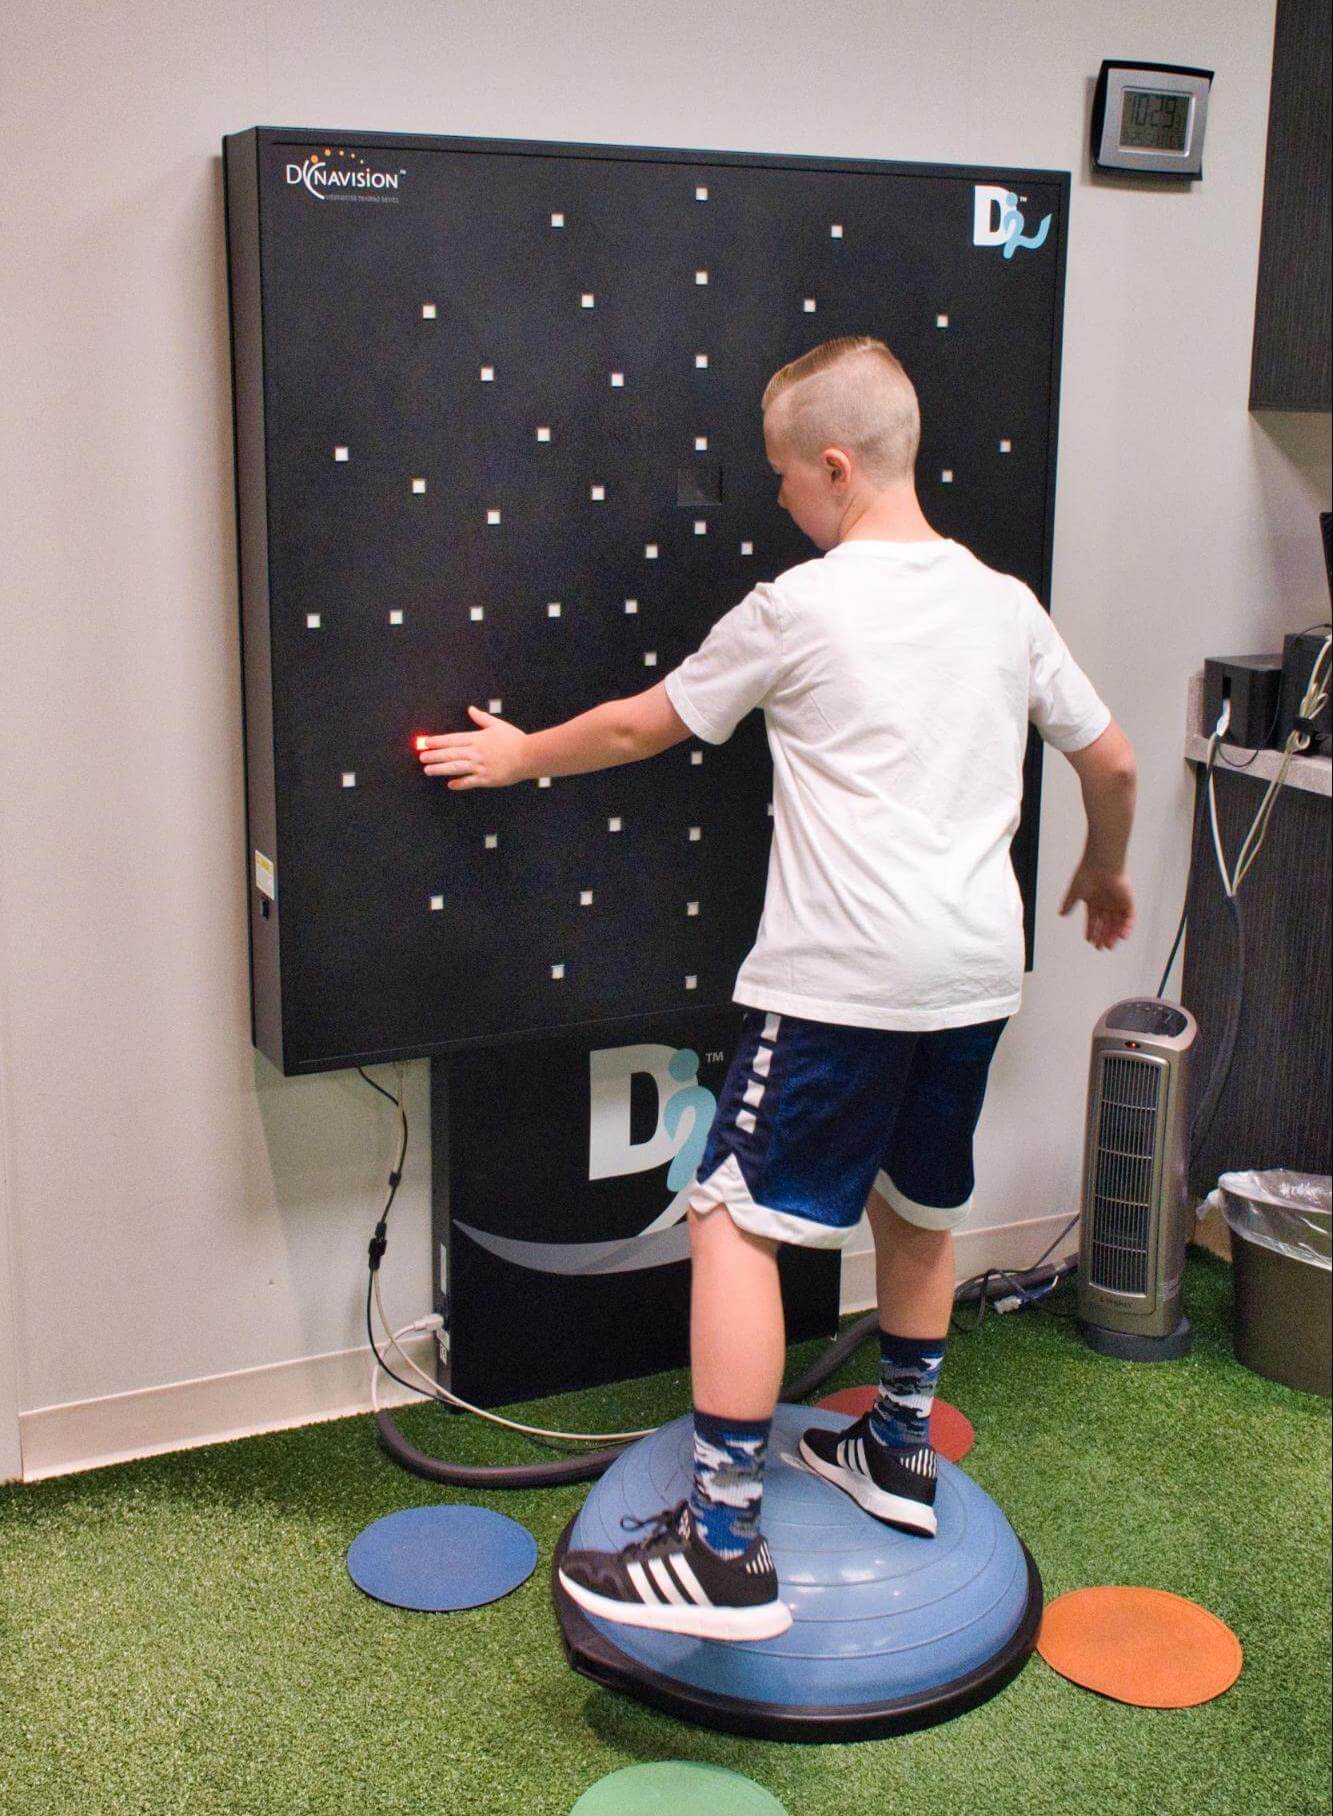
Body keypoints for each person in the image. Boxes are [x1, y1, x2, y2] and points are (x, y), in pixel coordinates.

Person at [417, 335, 1137, 1643]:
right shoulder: (1003, 604)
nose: (780, 504)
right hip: (976, 976)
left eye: (782, 480)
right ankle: (900, 1456)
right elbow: (1117, 762)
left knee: (730, 1221)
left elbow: (646, 722)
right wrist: (1102, 873)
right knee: (920, 1209)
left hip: (839, 981)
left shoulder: (796, 606)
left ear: (832, 467)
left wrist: (520, 755)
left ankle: (723, 1545)